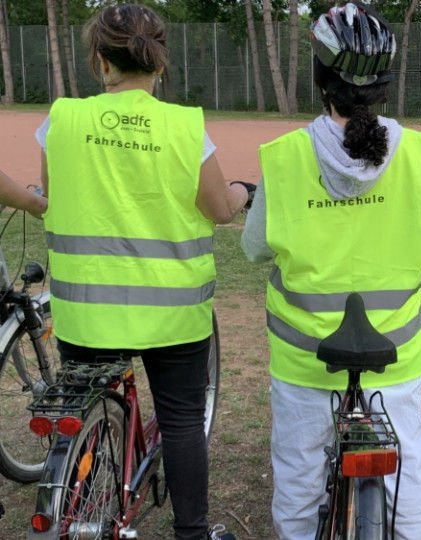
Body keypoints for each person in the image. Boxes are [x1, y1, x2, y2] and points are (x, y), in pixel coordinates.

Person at [239, 3, 421, 539]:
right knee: (408, 475)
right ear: (383, 86)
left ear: (321, 78)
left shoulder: (284, 156)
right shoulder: (414, 152)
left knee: (300, 481)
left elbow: (253, 249)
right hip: (393, 355)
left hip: (306, 358)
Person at [37, 4, 251, 540]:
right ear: (159, 63)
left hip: (85, 310)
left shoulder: (63, 119)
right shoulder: (184, 126)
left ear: (100, 61)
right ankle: (191, 531)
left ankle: (80, 501)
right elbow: (218, 210)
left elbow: (55, 194)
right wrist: (241, 193)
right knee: (181, 421)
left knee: (82, 405)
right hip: (171, 313)